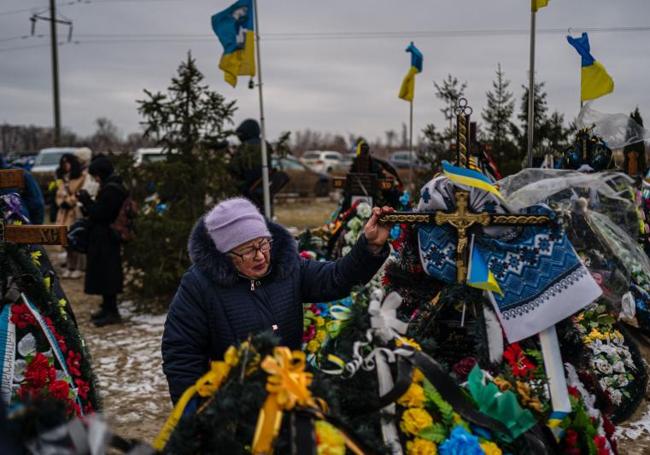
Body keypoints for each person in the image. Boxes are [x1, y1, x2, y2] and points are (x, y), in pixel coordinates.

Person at [162, 197, 394, 403]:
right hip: (234, 406)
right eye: (247, 251)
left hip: (290, 393)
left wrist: (369, 246)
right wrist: (196, 413)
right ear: (225, 254)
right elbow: (181, 354)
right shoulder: (200, 286)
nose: (261, 256)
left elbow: (335, 278)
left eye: (263, 244)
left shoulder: (286, 266)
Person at [77, 155, 127, 327]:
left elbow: (102, 214)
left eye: (96, 175)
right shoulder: (110, 186)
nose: (95, 179)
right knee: (103, 273)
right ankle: (107, 308)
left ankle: (112, 311)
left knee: (108, 275)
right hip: (103, 237)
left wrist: (86, 201)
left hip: (107, 238)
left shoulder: (112, 189)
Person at [228, 118, 274, 213]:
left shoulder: (245, 148)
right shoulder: (264, 146)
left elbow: (234, 168)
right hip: (263, 191)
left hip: (247, 192)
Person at [55, 153, 86, 279]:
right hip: (64, 213)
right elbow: (58, 194)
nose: (65, 165)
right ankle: (70, 266)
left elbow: (81, 192)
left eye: (67, 163)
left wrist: (69, 201)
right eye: (63, 163)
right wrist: (61, 202)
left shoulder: (82, 177)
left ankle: (79, 267)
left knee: (76, 239)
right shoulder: (63, 178)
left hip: (75, 212)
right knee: (65, 240)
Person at [0, 155, 44, 224]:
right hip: (18, 227)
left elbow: (36, 204)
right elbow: (37, 204)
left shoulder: (20, 174)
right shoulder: (20, 174)